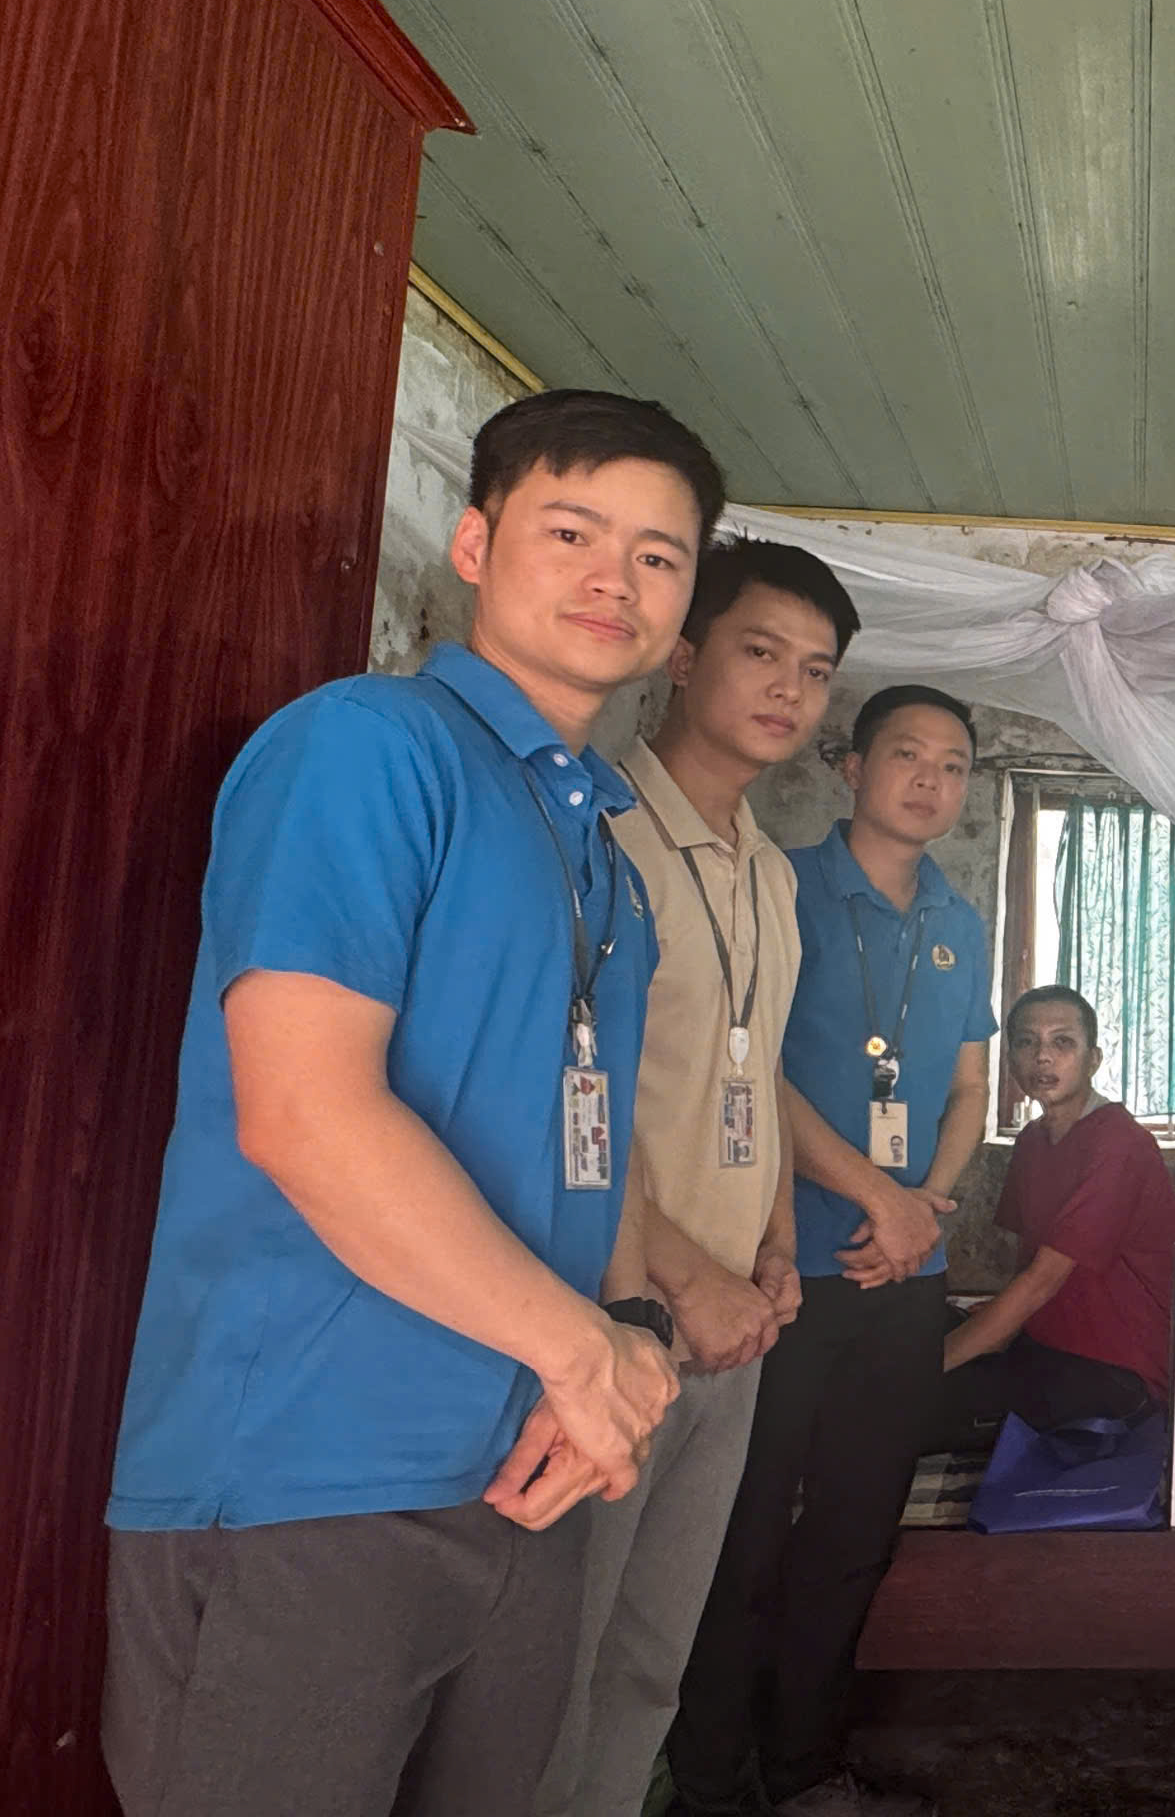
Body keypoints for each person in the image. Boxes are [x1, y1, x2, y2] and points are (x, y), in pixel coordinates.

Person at [100, 390, 716, 1816]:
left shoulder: (602, 849)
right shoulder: (368, 747)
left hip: (525, 1470)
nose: (614, 579)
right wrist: (580, 1352)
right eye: (572, 532)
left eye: (658, 556)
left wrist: (622, 1334)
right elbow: (304, 1114)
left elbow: (586, 1146)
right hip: (312, 1476)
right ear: (475, 545)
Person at [537, 540, 860, 1817]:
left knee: (648, 1659)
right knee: (551, 1665)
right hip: (609, 1311)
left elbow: (755, 1070)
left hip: (735, 1322)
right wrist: (685, 1279)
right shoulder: (597, 831)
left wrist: (773, 1253)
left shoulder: (770, 871)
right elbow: (558, 1090)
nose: (788, 689)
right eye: (758, 651)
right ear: (680, 655)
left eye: (816, 671)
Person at [669, 685, 993, 1817]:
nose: (929, 780)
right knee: (744, 1534)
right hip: (780, 1271)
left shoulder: (959, 921)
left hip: (907, 1279)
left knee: (856, 1533)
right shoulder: (782, 886)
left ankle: (806, 1764)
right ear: (850, 767)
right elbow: (750, 1072)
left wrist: (927, 1205)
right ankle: (712, 1779)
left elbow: (968, 1086)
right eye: (906, 754)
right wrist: (877, 1198)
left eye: (953, 765)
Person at [937, 985, 1175, 1445]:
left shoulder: (1119, 1144)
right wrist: (991, 1326)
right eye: (1027, 1042)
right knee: (909, 1331)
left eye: (1062, 1042)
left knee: (913, 1393)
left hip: (1117, 1370)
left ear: (1094, 1059)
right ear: (1011, 1060)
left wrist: (931, 1365)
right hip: (1044, 1343)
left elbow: (1042, 1280)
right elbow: (1026, 1261)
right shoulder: (1032, 1140)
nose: (1043, 1057)